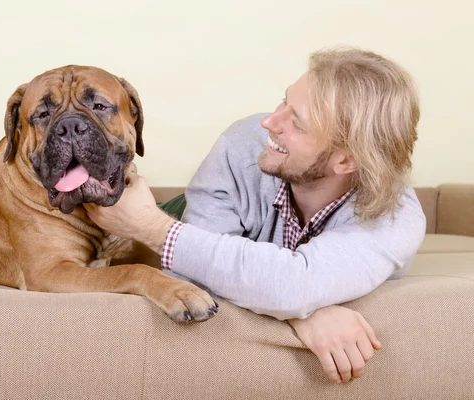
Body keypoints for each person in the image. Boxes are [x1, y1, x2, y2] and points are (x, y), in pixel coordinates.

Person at [84, 47, 426, 384]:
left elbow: (294, 285)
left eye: (298, 123)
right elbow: (194, 278)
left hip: (169, 223)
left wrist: (152, 228)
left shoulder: (396, 218)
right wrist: (303, 310)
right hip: (182, 212)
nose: (269, 122)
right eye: (284, 101)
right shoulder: (243, 143)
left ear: (346, 161)